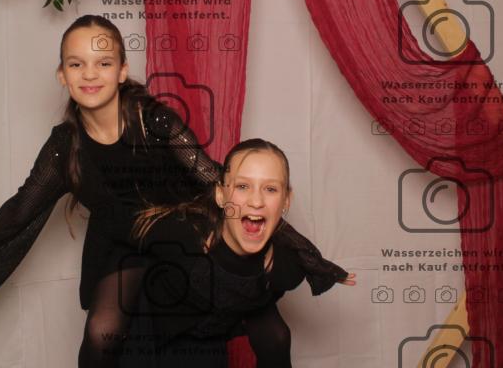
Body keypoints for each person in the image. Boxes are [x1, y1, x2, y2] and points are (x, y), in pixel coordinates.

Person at [0, 14, 349, 367]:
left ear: (121, 70)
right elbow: (24, 205)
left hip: (184, 232)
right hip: (124, 243)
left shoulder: (153, 120)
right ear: (62, 75)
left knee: (274, 334)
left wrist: (308, 256)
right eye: (76, 64)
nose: (89, 74)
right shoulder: (65, 146)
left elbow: (213, 178)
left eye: (103, 63)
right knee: (101, 334)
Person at [117, 138, 355, 367]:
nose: (256, 201)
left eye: (270, 189)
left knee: (277, 338)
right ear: (221, 195)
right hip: (153, 337)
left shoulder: (286, 268)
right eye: (242, 186)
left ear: (286, 201)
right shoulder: (181, 236)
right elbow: (118, 227)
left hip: (211, 339)